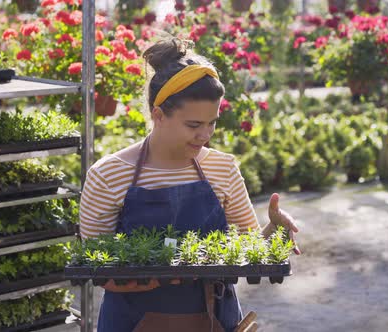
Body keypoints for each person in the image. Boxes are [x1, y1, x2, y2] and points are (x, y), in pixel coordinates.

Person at [79, 38, 300, 332]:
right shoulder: (109, 174)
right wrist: (159, 273)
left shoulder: (221, 168)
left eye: (212, 123)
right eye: (194, 125)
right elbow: (96, 265)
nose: (205, 135)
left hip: (214, 319)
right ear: (159, 116)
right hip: (133, 323)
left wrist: (275, 231)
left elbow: (248, 248)